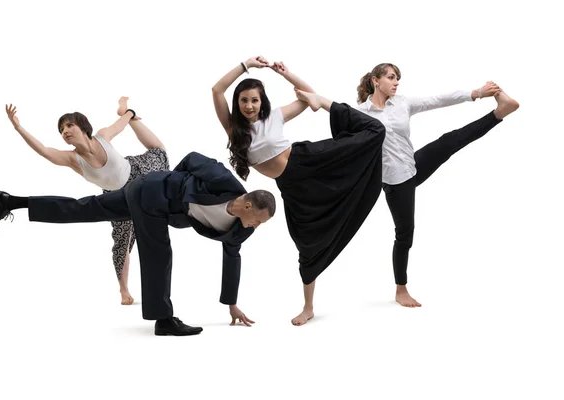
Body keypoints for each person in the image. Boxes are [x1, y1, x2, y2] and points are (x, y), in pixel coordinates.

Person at [0, 152, 276, 336]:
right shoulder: (222, 180)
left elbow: (232, 256)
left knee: (86, 208)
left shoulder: (240, 228)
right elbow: (191, 159)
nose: (256, 227)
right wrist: (167, 184)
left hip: (147, 196)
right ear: (247, 204)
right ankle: (163, 320)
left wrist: (232, 304)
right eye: (258, 220)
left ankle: (12, 201)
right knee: (158, 253)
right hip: (152, 192)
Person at [212, 56, 386, 326]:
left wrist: (287, 75)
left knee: (373, 131)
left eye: (254, 100)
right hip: (293, 187)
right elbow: (216, 90)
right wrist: (246, 65)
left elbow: (307, 96)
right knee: (307, 242)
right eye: (244, 100)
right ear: (237, 103)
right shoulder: (234, 128)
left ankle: (369, 165)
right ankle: (308, 307)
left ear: (262, 102)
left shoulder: (274, 116)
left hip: (309, 160)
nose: (249, 105)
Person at [354, 63, 520, 307]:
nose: (396, 82)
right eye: (391, 77)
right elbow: (346, 143)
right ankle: (401, 289)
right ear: (376, 81)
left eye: (398, 78)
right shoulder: (360, 114)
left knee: (450, 140)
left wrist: (475, 93)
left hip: (412, 166)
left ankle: (500, 112)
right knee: (404, 236)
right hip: (395, 183)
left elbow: (437, 99)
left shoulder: (402, 103)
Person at [2, 97, 169, 305]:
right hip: (116, 196)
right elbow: (44, 151)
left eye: (69, 125)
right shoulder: (73, 159)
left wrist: (128, 113)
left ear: (82, 127)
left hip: (137, 171)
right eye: (61, 129)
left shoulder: (102, 136)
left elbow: (120, 125)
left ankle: (127, 110)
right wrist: (19, 128)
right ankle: (123, 290)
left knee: (160, 152)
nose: (65, 131)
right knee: (122, 243)